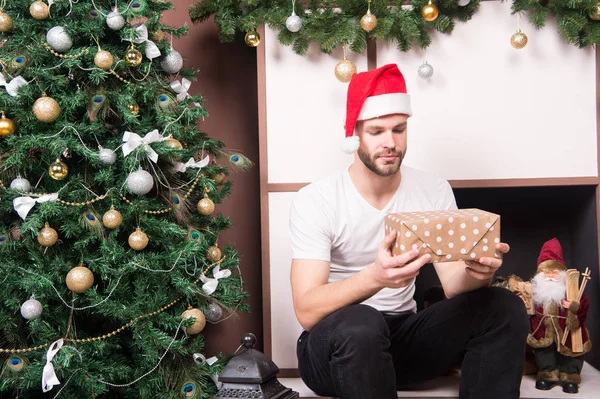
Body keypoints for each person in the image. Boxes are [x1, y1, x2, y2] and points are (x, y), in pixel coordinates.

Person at [288, 63, 529, 399]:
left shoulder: (432, 189)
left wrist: (478, 273)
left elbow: (455, 287)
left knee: (504, 306)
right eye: (376, 132)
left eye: (399, 130)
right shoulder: (317, 200)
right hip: (333, 348)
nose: (391, 143)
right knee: (363, 323)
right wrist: (376, 277)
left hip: (402, 341)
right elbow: (307, 309)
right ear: (354, 134)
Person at [527, 238, 591, 394]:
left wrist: (574, 306)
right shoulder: (536, 292)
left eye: (554, 272)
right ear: (539, 275)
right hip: (543, 331)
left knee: (570, 354)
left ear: (561, 273)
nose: (550, 275)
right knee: (544, 353)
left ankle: (570, 377)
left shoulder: (570, 290)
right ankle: (548, 375)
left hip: (568, 331)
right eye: (546, 272)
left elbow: (584, 305)